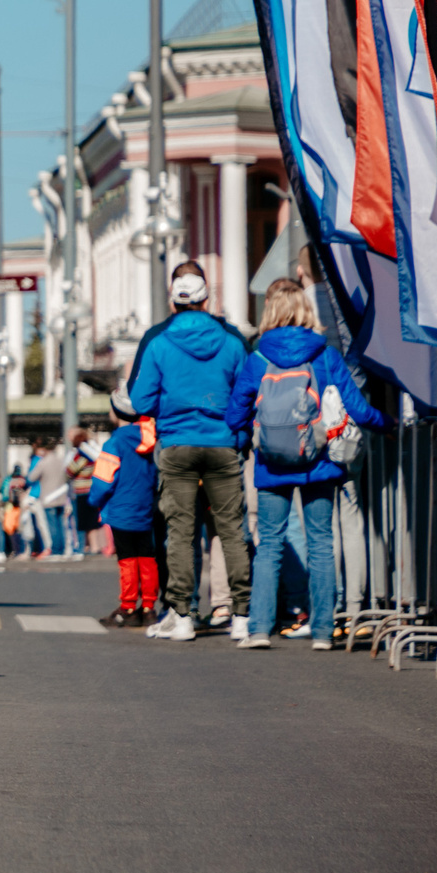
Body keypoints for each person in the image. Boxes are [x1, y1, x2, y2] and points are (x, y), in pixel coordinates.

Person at [225, 277, 385, 649]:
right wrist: (388, 424)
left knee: (270, 545)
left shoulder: (258, 358)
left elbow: (234, 415)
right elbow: (358, 409)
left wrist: (251, 432)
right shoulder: (325, 356)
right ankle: (324, 632)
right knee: (321, 543)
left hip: (272, 463)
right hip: (319, 462)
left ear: (270, 312)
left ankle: (259, 629)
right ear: (305, 311)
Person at [132, 260, 253, 643]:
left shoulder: (160, 343)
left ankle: (182, 615)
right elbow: (247, 394)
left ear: (174, 302)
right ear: (206, 300)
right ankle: (241, 616)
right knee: (231, 530)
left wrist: (171, 406)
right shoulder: (231, 342)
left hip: (177, 445)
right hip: (223, 444)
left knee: (181, 532)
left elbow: (140, 400)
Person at [88, 387, 160, 625]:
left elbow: (103, 481)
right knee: (147, 557)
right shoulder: (151, 438)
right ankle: (149, 607)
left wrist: (94, 501)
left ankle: (128, 607)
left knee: (127, 558)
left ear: (116, 412)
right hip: (146, 508)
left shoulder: (115, 442)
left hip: (121, 509)